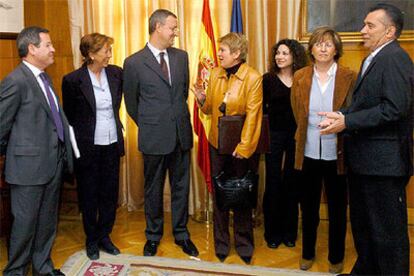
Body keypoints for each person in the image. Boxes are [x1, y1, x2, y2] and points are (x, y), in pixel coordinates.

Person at [319, 3, 413, 275]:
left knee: (388, 236)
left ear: (390, 31)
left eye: (370, 25)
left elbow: (395, 108)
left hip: (383, 165)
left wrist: (348, 121)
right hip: (366, 163)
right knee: (365, 230)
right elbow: (365, 106)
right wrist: (341, 114)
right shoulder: (373, 59)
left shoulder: (394, 58)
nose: (362, 30)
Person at [123, 9, 198, 257]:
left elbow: (182, 92)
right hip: (154, 137)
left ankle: (181, 234)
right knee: (153, 190)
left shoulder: (181, 57)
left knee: (180, 187)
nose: (176, 33)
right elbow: (132, 103)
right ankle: (153, 236)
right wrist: (151, 123)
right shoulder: (133, 62)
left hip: (181, 135)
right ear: (158, 28)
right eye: (172, 28)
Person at [0, 26, 73, 276]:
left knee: (46, 224)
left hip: (52, 165)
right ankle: (15, 272)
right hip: (27, 171)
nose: (53, 49)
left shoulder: (44, 77)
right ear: (32, 49)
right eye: (48, 45)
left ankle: (43, 268)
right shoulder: (15, 81)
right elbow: (1, 127)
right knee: (24, 227)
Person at [290, 26, 356, 273]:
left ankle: (336, 258)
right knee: (308, 208)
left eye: (329, 44)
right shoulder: (301, 76)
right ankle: (307, 253)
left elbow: (353, 112)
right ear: (311, 49)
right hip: (307, 152)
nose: (324, 48)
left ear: (336, 49)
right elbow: (298, 112)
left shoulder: (350, 76)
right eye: (319, 44)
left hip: (337, 154)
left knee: (338, 209)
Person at [193, 32, 262, 265]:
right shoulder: (214, 74)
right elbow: (209, 110)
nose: (219, 53)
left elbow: (254, 116)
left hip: (242, 147)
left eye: (223, 50)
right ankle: (221, 244)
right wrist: (201, 99)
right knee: (221, 195)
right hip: (217, 145)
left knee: (242, 194)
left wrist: (244, 147)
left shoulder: (253, 77)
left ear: (237, 53)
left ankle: (244, 244)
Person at [62, 33, 124, 260]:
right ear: (90, 54)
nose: (109, 54)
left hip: (111, 143)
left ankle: (105, 236)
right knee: (89, 194)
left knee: (109, 193)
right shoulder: (72, 80)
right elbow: (69, 117)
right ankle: (91, 239)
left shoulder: (117, 74)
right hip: (87, 146)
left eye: (109, 50)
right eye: (105, 50)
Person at [262, 39, 306, 249]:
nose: (280, 57)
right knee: (272, 182)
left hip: (296, 136)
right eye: (277, 53)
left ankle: (289, 231)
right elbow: (260, 111)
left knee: (293, 182)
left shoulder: (303, 79)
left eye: (285, 53)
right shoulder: (267, 80)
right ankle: (272, 232)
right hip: (273, 136)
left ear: (294, 57)